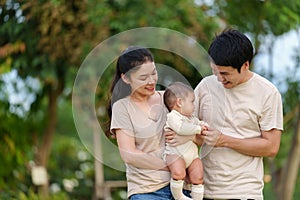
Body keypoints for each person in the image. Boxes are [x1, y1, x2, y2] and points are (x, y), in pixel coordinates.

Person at [166, 29, 283, 200]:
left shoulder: (267, 93)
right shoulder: (206, 86)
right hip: (202, 191)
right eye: (215, 72)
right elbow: (193, 131)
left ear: (245, 65)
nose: (220, 79)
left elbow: (271, 147)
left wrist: (224, 140)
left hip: (244, 193)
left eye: (225, 74)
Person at [107, 46, 180, 199]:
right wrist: (171, 166)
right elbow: (129, 154)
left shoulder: (167, 99)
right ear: (126, 78)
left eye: (154, 73)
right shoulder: (122, 108)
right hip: (147, 191)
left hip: (180, 186)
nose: (151, 81)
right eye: (143, 77)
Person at [163, 82, 208, 200]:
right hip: (175, 154)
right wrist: (198, 129)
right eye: (192, 101)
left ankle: (197, 198)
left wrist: (202, 125)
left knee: (198, 177)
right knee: (178, 173)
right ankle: (180, 197)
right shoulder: (173, 117)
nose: (194, 105)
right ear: (179, 102)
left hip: (192, 156)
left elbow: (197, 123)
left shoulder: (191, 118)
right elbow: (181, 129)